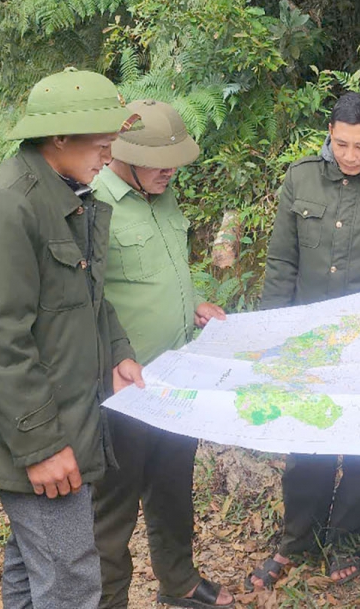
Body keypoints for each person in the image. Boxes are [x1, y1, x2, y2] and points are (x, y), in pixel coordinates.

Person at [0, 67, 146, 609]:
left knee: (35, 562)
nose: (108, 156)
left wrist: (117, 352)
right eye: (101, 145)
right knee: (71, 578)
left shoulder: (68, 195)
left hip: (66, 413)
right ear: (59, 138)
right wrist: (43, 446)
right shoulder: (10, 206)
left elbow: (87, 298)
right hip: (40, 429)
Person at [247, 91, 360, 592]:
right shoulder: (300, 178)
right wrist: (271, 334)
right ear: (330, 134)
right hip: (306, 343)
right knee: (306, 442)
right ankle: (296, 539)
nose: (351, 156)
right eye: (342, 144)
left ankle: (345, 536)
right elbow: (282, 263)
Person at [89, 99, 234, 609]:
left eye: (175, 160)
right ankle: (109, 600)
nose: (169, 170)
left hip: (177, 377)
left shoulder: (163, 194)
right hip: (124, 388)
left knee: (173, 487)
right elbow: (83, 300)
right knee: (113, 507)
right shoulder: (92, 204)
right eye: (157, 161)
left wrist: (193, 303)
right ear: (122, 155)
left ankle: (179, 581)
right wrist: (108, 360)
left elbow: (161, 268)